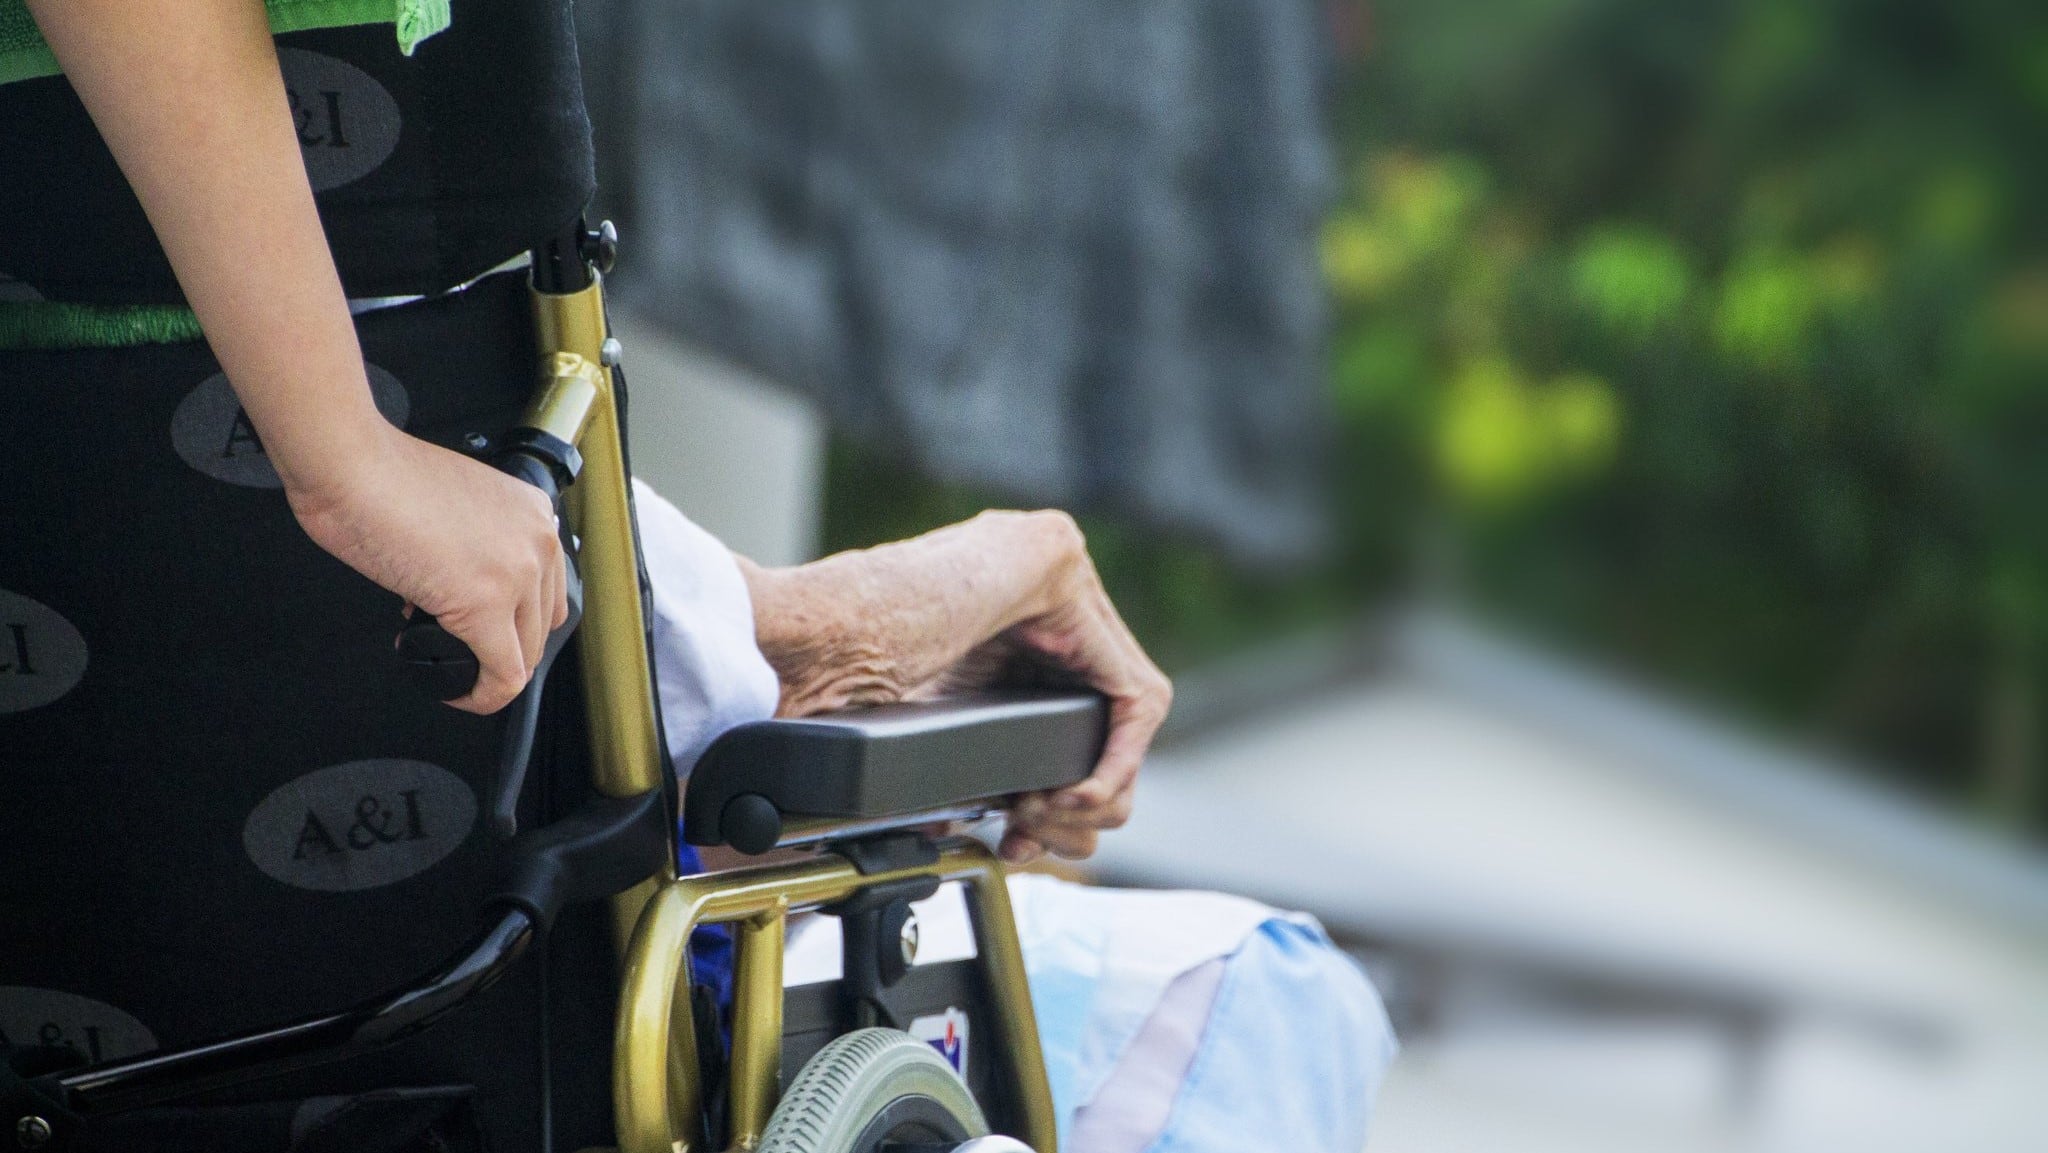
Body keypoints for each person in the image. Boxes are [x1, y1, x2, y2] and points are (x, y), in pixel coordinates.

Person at [15, 1, 1395, 1148]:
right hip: (440, 1038)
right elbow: (717, 689)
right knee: (1269, 985)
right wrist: (341, 453)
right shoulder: (385, 446)